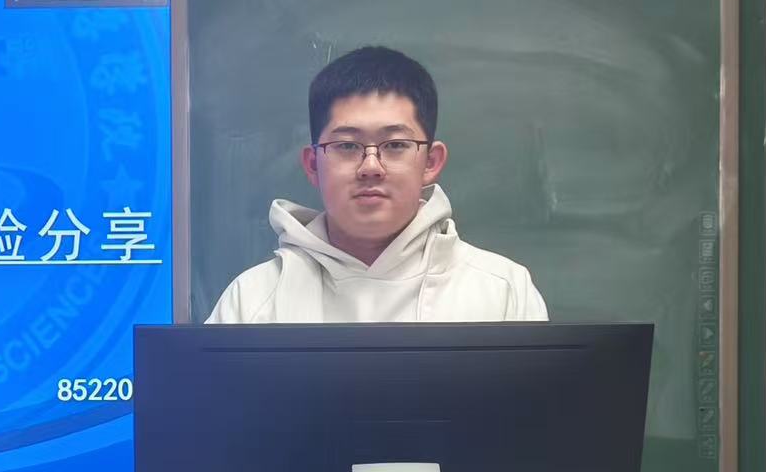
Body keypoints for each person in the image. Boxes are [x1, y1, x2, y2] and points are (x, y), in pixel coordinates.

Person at [207, 46, 547, 324]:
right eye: (347, 145)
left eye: (395, 144)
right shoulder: (251, 301)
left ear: (431, 162)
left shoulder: (502, 292)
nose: (371, 167)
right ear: (313, 165)